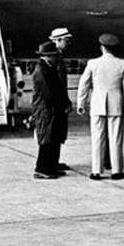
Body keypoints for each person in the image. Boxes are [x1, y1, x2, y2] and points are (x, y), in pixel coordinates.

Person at [77, 33, 124, 180]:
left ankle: (96, 171)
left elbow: (84, 84)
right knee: (116, 138)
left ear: (102, 47)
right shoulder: (123, 64)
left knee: (97, 138)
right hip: (116, 105)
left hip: (97, 104)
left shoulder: (92, 63)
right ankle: (116, 171)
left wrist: (81, 103)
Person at [31, 41, 68, 179]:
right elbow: (49, 93)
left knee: (54, 138)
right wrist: (62, 104)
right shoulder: (41, 71)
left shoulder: (47, 68)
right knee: (47, 139)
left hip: (52, 109)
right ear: (48, 56)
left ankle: (51, 166)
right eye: (55, 56)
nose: (57, 59)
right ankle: (42, 168)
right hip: (46, 110)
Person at [50, 27, 76, 170]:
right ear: (57, 40)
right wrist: (64, 101)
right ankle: (52, 162)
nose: (68, 43)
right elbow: (57, 84)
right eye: (66, 40)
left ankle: (55, 161)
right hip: (57, 102)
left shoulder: (57, 56)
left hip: (60, 100)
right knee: (54, 132)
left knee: (58, 132)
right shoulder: (54, 58)